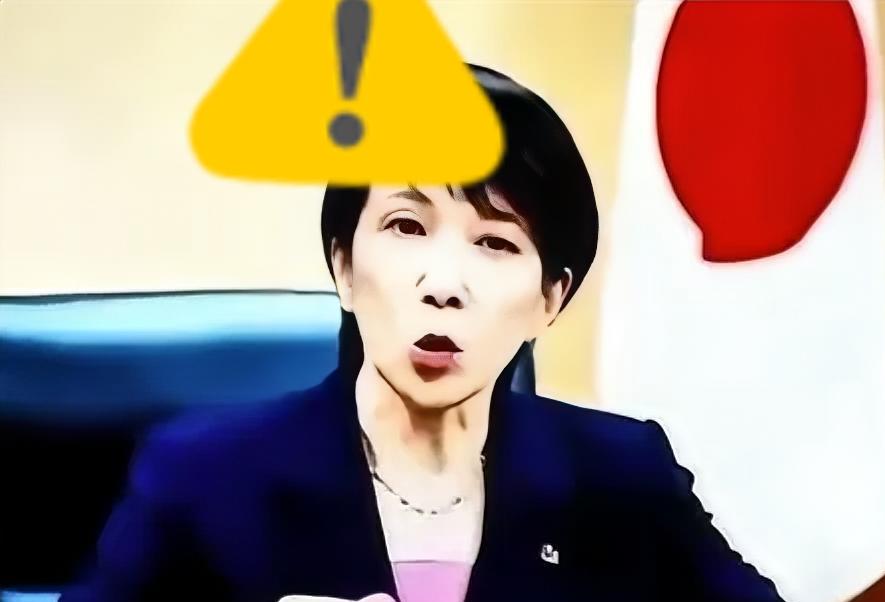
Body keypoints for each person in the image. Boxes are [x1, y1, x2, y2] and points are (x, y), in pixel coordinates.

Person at [59, 65, 785, 602]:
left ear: (550, 301)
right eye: (407, 227)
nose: (444, 285)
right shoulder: (203, 479)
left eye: (495, 243)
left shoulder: (623, 478)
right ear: (345, 267)